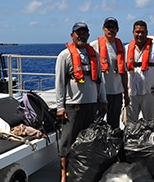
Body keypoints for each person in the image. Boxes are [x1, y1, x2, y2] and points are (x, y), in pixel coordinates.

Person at [55, 22, 108, 182]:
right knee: (67, 142)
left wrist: (103, 99)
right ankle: (64, 175)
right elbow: (59, 82)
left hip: (91, 106)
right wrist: (60, 107)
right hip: (73, 107)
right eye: (78, 33)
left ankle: (82, 173)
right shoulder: (65, 55)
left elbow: (100, 79)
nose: (81, 36)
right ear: (72, 35)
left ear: (88, 35)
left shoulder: (94, 55)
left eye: (84, 33)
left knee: (87, 141)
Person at [125, 20, 154, 123]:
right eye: (137, 32)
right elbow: (120, 71)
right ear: (133, 32)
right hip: (131, 93)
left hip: (150, 93)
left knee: (152, 123)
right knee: (129, 124)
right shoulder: (126, 49)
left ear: (146, 32)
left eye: (142, 32)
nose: (140, 35)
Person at [91, 17, 130, 129]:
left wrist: (126, 94)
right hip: (99, 93)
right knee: (96, 123)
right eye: (108, 27)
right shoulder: (94, 46)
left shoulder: (121, 47)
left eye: (113, 27)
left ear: (117, 29)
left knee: (114, 125)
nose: (110, 30)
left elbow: (124, 72)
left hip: (116, 93)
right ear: (103, 29)